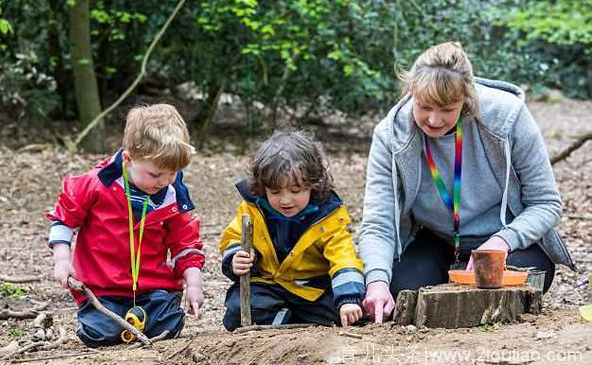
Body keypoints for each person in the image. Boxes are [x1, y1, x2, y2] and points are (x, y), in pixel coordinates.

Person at [359, 42, 575, 323]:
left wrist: (501, 241)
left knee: (526, 278)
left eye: (447, 109)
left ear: (466, 98)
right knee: (401, 290)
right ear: (411, 92)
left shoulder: (507, 116)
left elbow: (546, 204)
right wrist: (376, 281)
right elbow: (378, 222)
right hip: (436, 239)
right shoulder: (391, 134)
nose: (434, 120)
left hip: (504, 242)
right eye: (424, 107)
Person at [48, 104, 205, 347]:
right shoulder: (97, 183)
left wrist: (193, 282)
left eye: (173, 173)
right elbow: (64, 218)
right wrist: (62, 259)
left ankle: (141, 320)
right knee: (101, 334)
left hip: (153, 287)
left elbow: (184, 240)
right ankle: (117, 323)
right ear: (128, 159)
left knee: (169, 325)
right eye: (155, 175)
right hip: (102, 287)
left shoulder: (173, 192)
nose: (164, 181)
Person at [220, 130, 365, 331]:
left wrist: (349, 298)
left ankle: (286, 319)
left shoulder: (328, 215)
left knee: (350, 313)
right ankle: (286, 319)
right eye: (275, 192)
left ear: (313, 184)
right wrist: (236, 257)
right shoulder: (253, 208)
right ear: (263, 187)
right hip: (268, 284)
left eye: (296, 191)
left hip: (311, 289)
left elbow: (343, 257)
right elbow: (234, 237)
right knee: (237, 311)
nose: (285, 200)